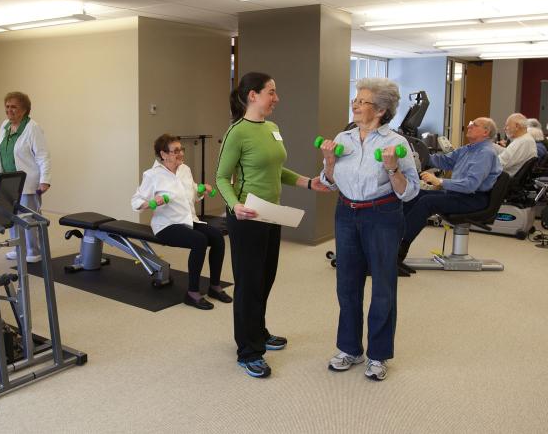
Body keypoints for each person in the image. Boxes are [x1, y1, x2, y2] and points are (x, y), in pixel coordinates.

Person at [216, 72, 325, 379]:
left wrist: (307, 182)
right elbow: (221, 177)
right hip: (247, 216)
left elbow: (277, 169)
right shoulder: (237, 132)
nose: (276, 98)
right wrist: (234, 205)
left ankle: (259, 332)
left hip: (271, 213)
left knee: (265, 278)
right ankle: (248, 351)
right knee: (248, 283)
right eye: (271, 92)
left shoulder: (272, 128)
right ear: (253, 95)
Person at [319, 78, 420, 381]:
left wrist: (392, 168)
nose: (355, 105)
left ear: (380, 110)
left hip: (383, 216)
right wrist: (328, 161)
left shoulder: (397, 144)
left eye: (362, 101)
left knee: (383, 288)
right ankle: (349, 348)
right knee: (347, 285)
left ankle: (377, 355)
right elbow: (327, 182)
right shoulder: (343, 137)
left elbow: (410, 191)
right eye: (356, 100)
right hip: (346, 213)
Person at [131, 134, 230, 310]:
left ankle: (214, 286)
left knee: (217, 237)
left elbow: (192, 194)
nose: (180, 153)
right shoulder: (152, 175)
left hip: (188, 220)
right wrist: (153, 202)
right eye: (175, 150)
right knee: (199, 240)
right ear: (163, 154)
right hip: (166, 225)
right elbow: (136, 202)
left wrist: (201, 190)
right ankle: (192, 293)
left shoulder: (185, 169)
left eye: (180, 149)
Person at [399, 117, 502, 271]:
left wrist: (439, 181)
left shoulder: (485, 153)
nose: (470, 126)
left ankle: (398, 253)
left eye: (475, 125)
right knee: (416, 194)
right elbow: (444, 161)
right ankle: (393, 242)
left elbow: (470, 185)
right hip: (459, 195)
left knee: (427, 202)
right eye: (470, 123)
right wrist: (418, 155)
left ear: (486, 132)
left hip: (474, 199)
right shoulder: (469, 148)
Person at [0, 91, 51, 263]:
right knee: (12, 216)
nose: (9, 110)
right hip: (8, 181)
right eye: (7, 106)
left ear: (24, 110)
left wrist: (45, 180)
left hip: (28, 181)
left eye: (14, 107)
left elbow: (43, 155)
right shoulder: (5, 125)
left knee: (29, 217)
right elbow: (1, 152)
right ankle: (18, 246)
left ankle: (34, 251)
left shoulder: (32, 127)